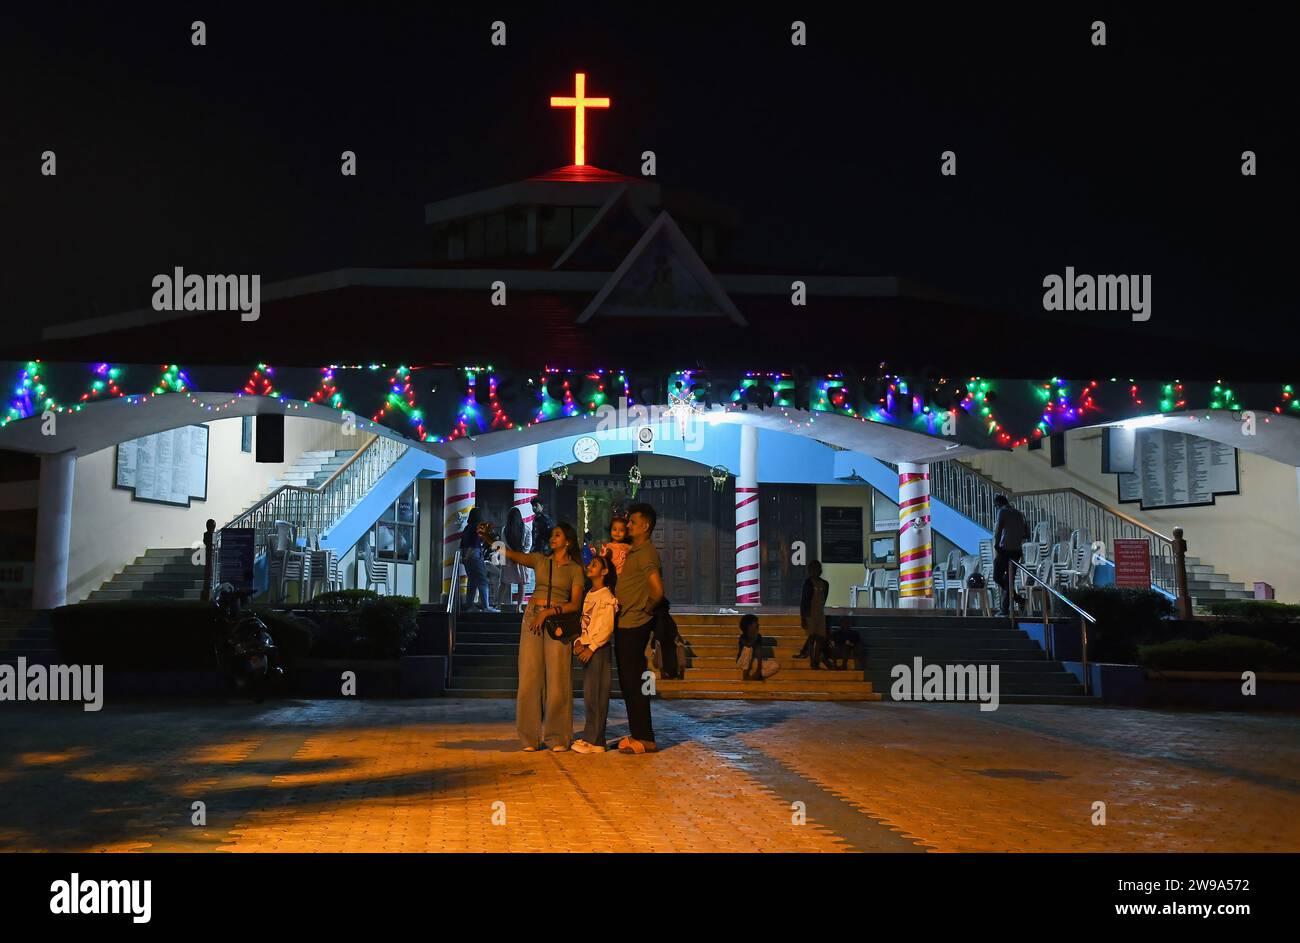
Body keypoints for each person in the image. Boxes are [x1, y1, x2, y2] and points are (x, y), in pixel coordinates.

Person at [487, 519, 586, 752]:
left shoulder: (575, 570)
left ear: (568, 542)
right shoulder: (540, 561)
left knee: (558, 679)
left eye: (558, 535)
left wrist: (550, 612)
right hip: (533, 617)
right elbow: (511, 554)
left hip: (558, 623)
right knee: (529, 677)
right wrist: (489, 539)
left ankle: (557, 737)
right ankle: (529, 738)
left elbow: (575, 604)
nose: (552, 538)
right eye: (552, 535)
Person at [613, 502, 663, 754]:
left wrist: (648, 609)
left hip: (634, 624)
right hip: (626, 623)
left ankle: (645, 738)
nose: (628, 525)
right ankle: (638, 734)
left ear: (645, 525)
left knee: (634, 683)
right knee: (629, 682)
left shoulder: (646, 553)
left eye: (632, 522)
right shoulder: (636, 551)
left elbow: (657, 589)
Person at [571, 553, 618, 754]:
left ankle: (597, 740)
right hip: (588, 648)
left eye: (595, 564)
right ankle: (590, 735)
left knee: (598, 695)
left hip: (598, 651)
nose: (590, 566)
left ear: (604, 572)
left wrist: (592, 647)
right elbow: (586, 623)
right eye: (590, 564)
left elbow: (606, 627)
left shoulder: (607, 597)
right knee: (590, 695)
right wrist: (579, 641)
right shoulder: (590, 594)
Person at [992, 494, 1030, 616]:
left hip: (1005, 549)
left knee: (997, 577)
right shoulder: (1019, 514)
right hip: (1017, 550)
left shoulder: (1002, 512)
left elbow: (998, 529)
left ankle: (1014, 603)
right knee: (1010, 580)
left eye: (996, 506)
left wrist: (996, 545)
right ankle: (1010, 606)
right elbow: (1026, 534)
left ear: (998, 504)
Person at [460, 508, 498, 613]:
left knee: (472, 582)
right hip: (474, 555)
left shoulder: (467, 528)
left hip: (466, 557)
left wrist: (464, 558)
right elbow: (474, 544)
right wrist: (469, 556)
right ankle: (486, 607)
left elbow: (462, 545)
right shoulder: (479, 526)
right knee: (483, 580)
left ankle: (469, 605)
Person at [800, 560, 833, 669]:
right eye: (813, 570)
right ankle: (812, 660)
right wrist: (803, 617)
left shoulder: (825, 584)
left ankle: (816, 658)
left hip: (820, 613)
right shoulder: (808, 583)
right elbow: (804, 601)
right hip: (810, 613)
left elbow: (824, 598)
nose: (815, 572)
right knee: (812, 636)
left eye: (817, 569)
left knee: (820, 637)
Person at [500, 506, 529, 612]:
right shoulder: (525, 528)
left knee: (504, 582)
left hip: (509, 559)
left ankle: (499, 605)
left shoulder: (504, 529)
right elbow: (528, 546)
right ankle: (519, 607)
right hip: (521, 559)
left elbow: (503, 544)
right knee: (521, 583)